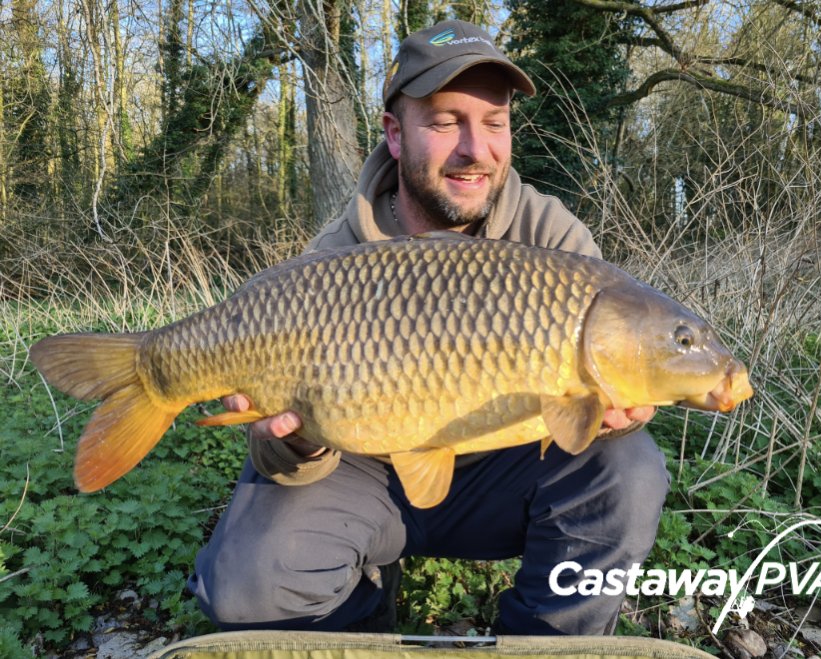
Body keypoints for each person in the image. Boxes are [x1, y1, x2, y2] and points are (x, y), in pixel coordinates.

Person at [188, 19, 669, 636]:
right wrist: (296, 441)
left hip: (501, 473)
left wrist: (626, 406)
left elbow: (614, 372)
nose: (476, 149)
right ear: (395, 134)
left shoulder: (552, 240)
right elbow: (279, 456)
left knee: (628, 469)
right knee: (245, 587)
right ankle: (365, 624)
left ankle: (542, 647)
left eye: (494, 123)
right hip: (361, 468)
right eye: (445, 123)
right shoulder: (333, 256)